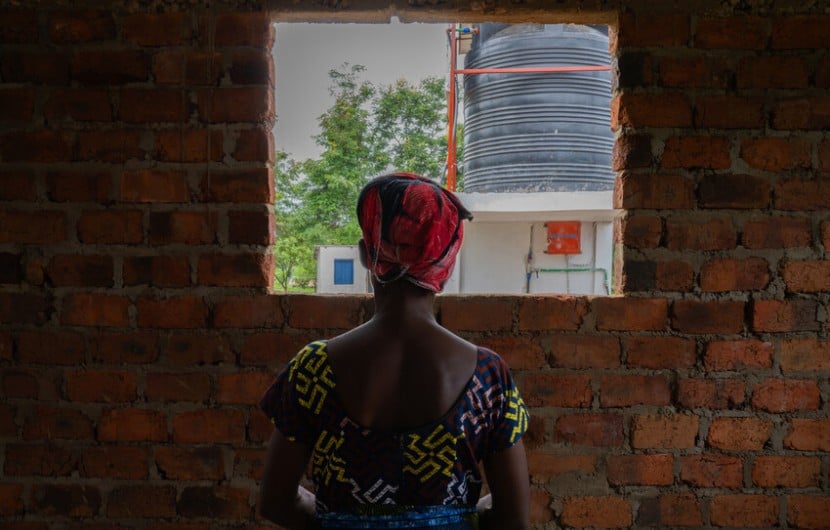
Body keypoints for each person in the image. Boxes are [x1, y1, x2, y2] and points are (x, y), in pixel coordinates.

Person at [258, 173, 530, 530]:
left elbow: (276, 502)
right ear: (444, 268)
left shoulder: (314, 369)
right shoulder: (488, 375)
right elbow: (513, 517)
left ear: (365, 255)